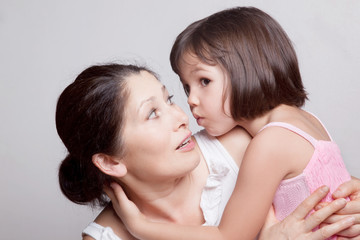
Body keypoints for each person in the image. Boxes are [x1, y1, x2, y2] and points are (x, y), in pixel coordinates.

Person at [105, 7, 359, 240]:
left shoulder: (270, 142)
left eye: (204, 81)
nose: (191, 100)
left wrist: (140, 226)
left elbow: (228, 237)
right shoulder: (306, 120)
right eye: (186, 87)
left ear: (247, 69)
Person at [56, 63, 360, 240]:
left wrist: (350, 197)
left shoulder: (239, 147)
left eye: (170, 99)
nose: (181, 117)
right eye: (152, 114)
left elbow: (314, 172)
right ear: (110, 161)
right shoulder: (106, 237)